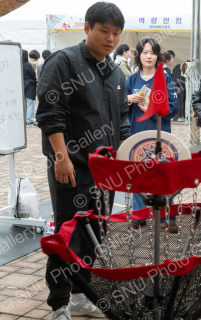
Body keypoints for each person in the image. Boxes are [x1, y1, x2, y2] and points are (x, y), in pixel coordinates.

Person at [36, 3, 130, 319]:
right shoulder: (63, 62)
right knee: (69, 233)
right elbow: (50, 114)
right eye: (104, 31)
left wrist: (128, 155)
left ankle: (80, 295)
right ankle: (59, 304)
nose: (111, 38)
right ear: (87, 28)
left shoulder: (116, 72)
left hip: (106, 171)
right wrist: (61, 159)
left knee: (95, 234)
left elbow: (123, 120)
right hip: (72, 168)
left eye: (116, 33)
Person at [126, 38, 178, 226]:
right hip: (137, 134)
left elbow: (173, 108)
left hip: (159, 134)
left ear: (158, 56)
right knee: (138, 175)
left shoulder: (165, 78)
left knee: (162, 173)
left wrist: (152, 108)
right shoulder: (131, 79)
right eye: (145, 52)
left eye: (153, 52)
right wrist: (128, 99)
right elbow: (120, 109)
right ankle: (140, 215)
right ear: (139, 55)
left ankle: (167, 217)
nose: (149, 56)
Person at [22, 50, 37, 128]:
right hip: (29, 85)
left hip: (22, 85)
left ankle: (24, 121)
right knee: (30, 103)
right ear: (25, 55)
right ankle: (29, 122)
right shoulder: (27, 65)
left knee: (24, 103)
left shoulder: (18, 65)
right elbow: (33, 75)